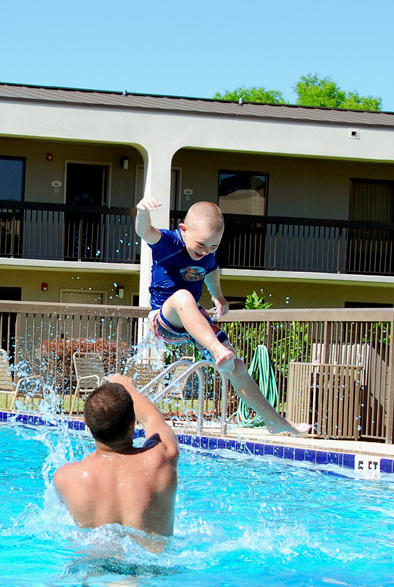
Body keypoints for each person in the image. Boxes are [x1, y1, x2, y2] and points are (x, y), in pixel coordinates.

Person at [134, 196, 307, 435]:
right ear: (184, 230)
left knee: (236, 367)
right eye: (202, 244)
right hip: (164, 320)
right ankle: (217, 351)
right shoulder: (169, 242)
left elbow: (212, 272)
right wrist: (143, 213)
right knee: (184, 296)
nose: (206, 251)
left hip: (195, 321)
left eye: (214, 246)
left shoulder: (208, 255)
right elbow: (145, 231)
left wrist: (219, 297)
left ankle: (275, 421)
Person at [53, 374, 179, 538]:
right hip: (153, 561)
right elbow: (151, 418)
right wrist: (129, 388)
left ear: (86, 423)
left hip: (91, 562)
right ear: (133, 422)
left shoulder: (66, 478)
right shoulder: (162, 458)